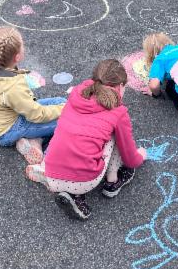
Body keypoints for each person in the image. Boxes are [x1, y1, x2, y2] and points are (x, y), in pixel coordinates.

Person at [33, 59, 146, 221]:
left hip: (51, 173)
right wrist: (141, 155)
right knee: (116, 135)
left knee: (73, 134)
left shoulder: (76, 96)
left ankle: (73, 194)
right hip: (85, 180)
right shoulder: (117, 111)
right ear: (121, 86)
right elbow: (129, 157)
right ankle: (112, 181)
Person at [0, 27, 65, 165]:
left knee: (60, 101)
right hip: (9, 131)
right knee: (68, 120)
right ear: (17, 57)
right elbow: (36, 114)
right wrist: (64, 110)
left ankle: (34, 141)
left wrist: (22, 76)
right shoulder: (13, 87)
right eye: (22, 46)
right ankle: (45, 165)